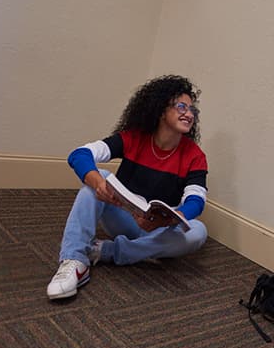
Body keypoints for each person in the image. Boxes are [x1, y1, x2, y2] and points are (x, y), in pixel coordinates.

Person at [46, 75, 209, 300]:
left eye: (193, 110)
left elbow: (196, 200)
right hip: (123, 217)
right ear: (161, 110)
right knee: (98, 177)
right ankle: (75, 261)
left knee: (198, 232)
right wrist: (98, 182)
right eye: (182, 106)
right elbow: (79, 154)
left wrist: (174, 217)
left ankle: (106, 252)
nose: (189, 114)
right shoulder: (134, 138)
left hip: (160, 229)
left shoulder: (194, 155)